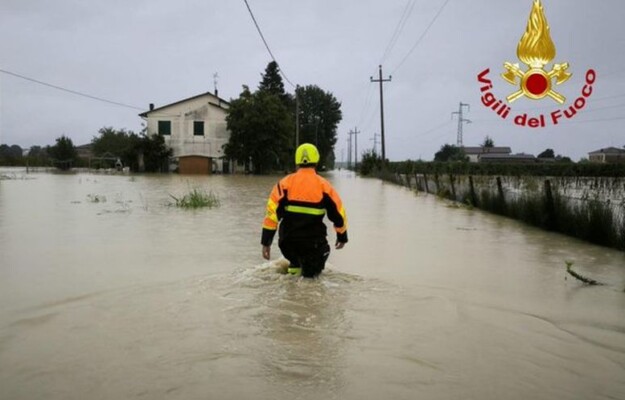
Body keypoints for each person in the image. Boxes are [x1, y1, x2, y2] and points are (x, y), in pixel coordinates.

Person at [261, 143, 348, 278]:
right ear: (316, 161)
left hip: (288, 243)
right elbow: (338, 213)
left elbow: (271, 216)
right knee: (311, 275)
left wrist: (266, 242)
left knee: (294, 263)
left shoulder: (283, 184)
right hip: (313, 243)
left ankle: (292, 278)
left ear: (297, 162)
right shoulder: (324, 186)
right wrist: (342, 236)